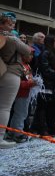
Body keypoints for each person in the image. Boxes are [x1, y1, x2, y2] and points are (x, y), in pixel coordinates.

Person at [0, 12, 32, 148]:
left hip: (2, 70)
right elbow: (28, 50)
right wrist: (16, 37)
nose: (12, 26)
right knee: (4, 107)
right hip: (11, 72)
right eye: (10, 24)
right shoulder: (12, 38)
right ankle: (0, 137)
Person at [7, 48, 37, 143]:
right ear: (23, 54)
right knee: (20, 114)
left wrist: (33, 82)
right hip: (21, 93)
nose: (31, 57)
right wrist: (31, 83)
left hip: (26, 92)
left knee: (20, 114)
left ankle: (13, 132)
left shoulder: (27, 65)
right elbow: (18, 83)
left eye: (32, 55)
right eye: (30, 55)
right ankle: (18, 134)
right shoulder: (19, 65)